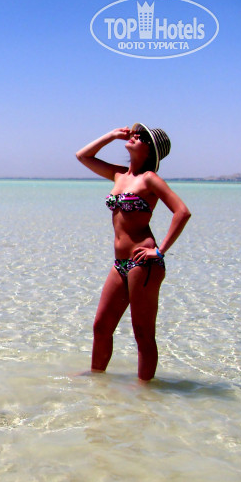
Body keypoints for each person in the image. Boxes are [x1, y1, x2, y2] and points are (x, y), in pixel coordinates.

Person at [76, 124, 191, 381]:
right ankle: (96, 382)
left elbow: (182, 212)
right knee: (101, 327)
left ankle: (144, 392)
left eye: (143, 136)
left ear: (151, 150)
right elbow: (82, 156)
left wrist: (159, 251)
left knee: (142, 333)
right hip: (120, 263)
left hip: (143, 263)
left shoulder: (150, 179)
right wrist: (111, 135)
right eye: (137, 133)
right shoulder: (119, 175)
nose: (136, 135)